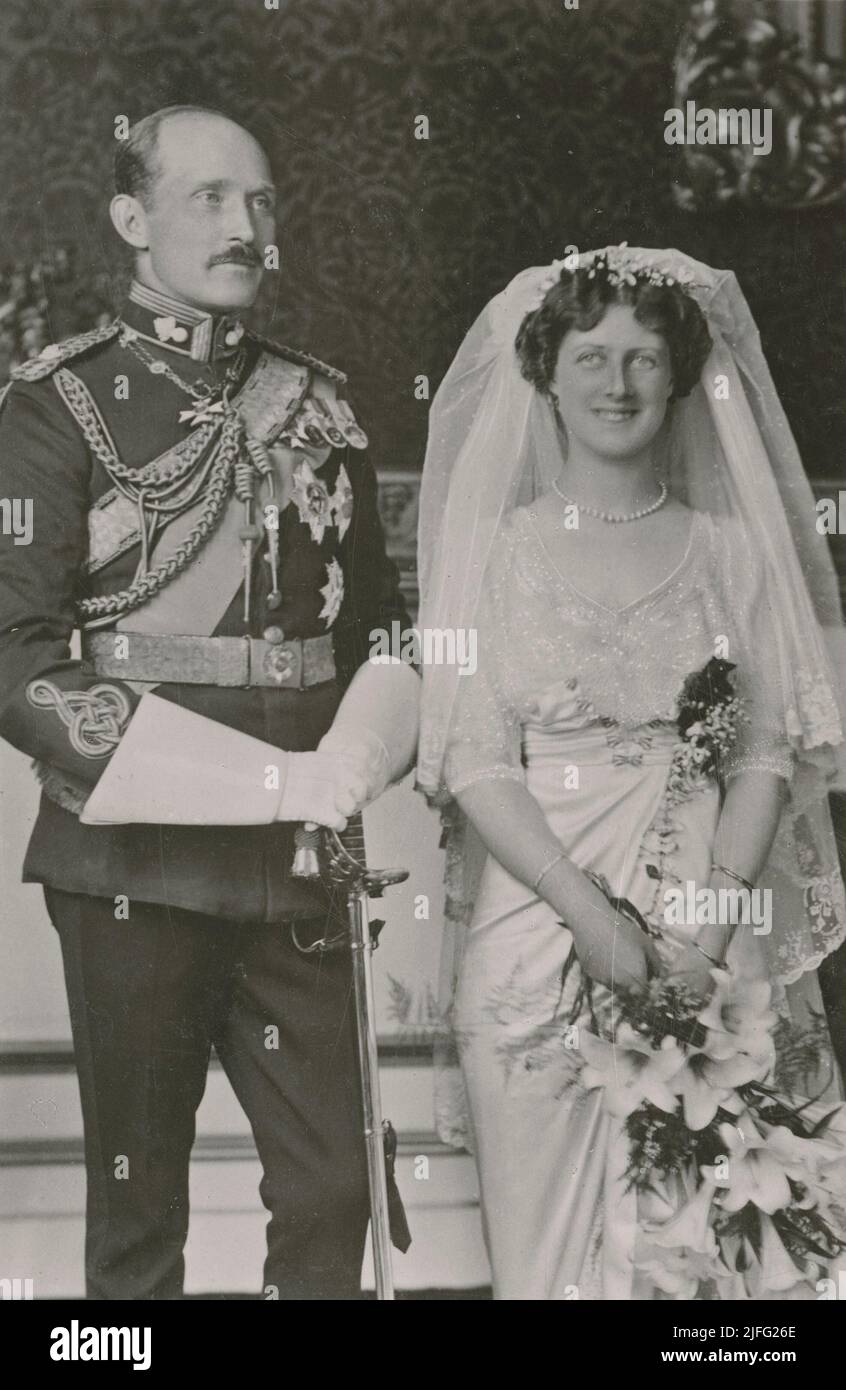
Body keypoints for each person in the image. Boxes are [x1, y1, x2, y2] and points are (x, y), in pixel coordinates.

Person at [0, 105, 419, 1300]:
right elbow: (15, 652)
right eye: (209, 199)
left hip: (300, 859)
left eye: (262, 201)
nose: (247, 226)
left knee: (336, 1187)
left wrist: (354, 759)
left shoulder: (319, 403)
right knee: (137, 1215)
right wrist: (273, 781)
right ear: (132, 220)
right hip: (134, 859)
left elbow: (380, 627)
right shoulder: (53, 405)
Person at [415, 244, 846, 1299]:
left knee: (708, 1253)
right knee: (543, 1259)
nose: (618, 383)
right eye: (591, 354)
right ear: (546, 372)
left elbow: (762, 753)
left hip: (710, 923)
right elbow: (474, 758)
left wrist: (707, 930)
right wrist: (592, 920)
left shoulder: (734, 554)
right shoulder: (496, 551)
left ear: (681, 374)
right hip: (538, 929)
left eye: (645, 358)